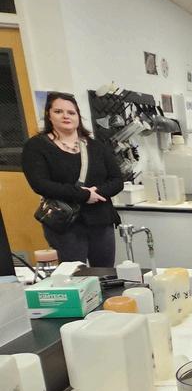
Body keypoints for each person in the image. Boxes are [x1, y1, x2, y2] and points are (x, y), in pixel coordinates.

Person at [22, 92, 124, 267]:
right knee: (74, 275)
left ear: (78, 116)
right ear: (48, 115)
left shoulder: (96, 146)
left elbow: (116, 180)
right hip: (66, 222)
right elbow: (41, 184)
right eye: (58, 111)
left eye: (71, 112)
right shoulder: (36, 146)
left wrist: (96, 193)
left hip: (101, 219)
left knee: (106, 273)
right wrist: (84, 195)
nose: (66, 116)